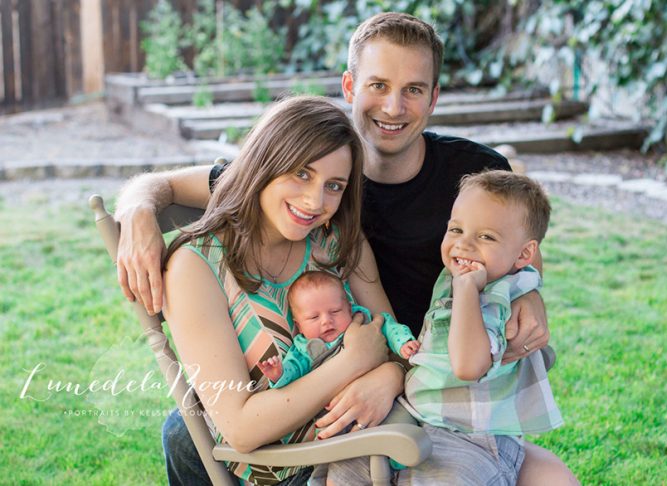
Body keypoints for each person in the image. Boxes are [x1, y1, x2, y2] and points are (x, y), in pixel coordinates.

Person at [114, 12, 570, 485]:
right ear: (350, 86)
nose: (393, 106)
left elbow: (518, 252)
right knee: (183, 433)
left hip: (428, 393)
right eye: (378, 85)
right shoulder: (302, 186)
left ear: (434, 98)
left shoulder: (349, 227)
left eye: (413, 89)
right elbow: (166, 184)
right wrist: (136, 210)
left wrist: (530, 290)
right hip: (335, 423)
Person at [160, 95, 406, 485]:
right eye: (302, 174)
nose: (315, 202)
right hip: (284, 470)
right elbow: (240, 427)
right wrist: (353, 361)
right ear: (264, 165)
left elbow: (396, 340)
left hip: (365, 445)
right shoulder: (196, 267)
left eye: (334, 185)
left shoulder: (338, 241)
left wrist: (391, 374)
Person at [328, 170, 574, 485]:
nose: (464, 245)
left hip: (474, 437)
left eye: (486, 236)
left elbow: (468, 366)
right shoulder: (455, 277)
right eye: (456, 229)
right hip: (419, 415)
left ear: (525, 254)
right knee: (348, 468)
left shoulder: (497, 295)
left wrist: (468, 291)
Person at [259, 270, 419, 388]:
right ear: (299, 325)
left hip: (380, 390)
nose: (326, 321)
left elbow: (389, 327)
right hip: (336, 407)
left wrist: (403, 343)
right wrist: (279, 374)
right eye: (314, 317)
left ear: (349, 309)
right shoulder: (303, 350)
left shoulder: (364, 324)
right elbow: (294, 369)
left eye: (335, 311)